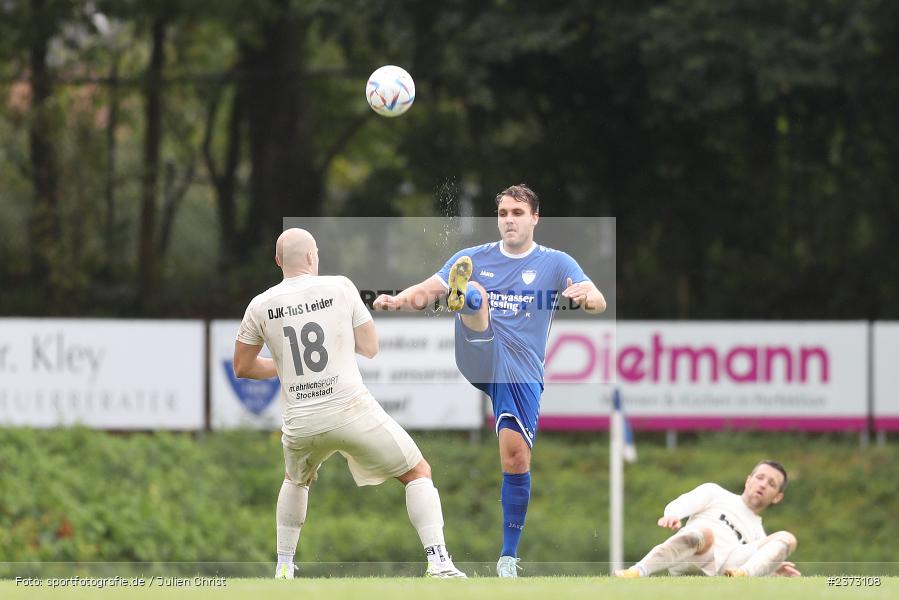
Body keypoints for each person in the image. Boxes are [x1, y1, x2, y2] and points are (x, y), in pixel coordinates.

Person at [374, 184, 607, 577]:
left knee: (515, 459)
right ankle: (465, 300)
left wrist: (589, 297)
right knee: (476, 294)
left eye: (517, 213)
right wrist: (398, 300)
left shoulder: (555, 262)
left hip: (520, 371)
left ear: (535, 218)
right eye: (503, 213)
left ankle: (508, 558)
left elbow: (597, 300)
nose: (509, 220)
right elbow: (427, 289)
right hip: (480, 352)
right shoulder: (473, 257)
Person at [233, 228, 466, 579]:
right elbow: (370, 347)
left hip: (302, 422)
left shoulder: (261, 304)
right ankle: (439, 561)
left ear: (278, 261)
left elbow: (243, 366)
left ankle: (283, 567)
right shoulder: (340, 286)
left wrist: (285, 368)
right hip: (351, 410)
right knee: (418, 471)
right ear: (313, 257)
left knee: (295, 481)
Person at [613, 460, 800, 578]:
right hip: (693, 553)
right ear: (748, 480)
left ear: (777, 497)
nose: (763, 484)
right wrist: (673, 515)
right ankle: (637, 571)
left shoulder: (760, 536)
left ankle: (742, 576)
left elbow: (760, 559)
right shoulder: (715, 493)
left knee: (787, 538)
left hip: (725, 570)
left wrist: (772, 570)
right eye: (760, 477)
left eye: (771, 484)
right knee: (705, 533)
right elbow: (683, 503)